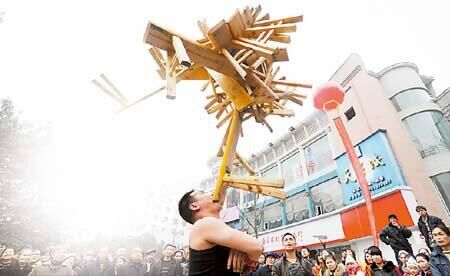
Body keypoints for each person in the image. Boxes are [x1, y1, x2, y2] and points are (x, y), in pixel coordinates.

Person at [178, 189, 263, 275]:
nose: (212, 193)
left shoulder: (215, 230)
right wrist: (246, 251)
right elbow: (257, 247)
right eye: (203, 193)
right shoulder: (204, 223)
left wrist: (242, 250)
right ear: (194, 206)